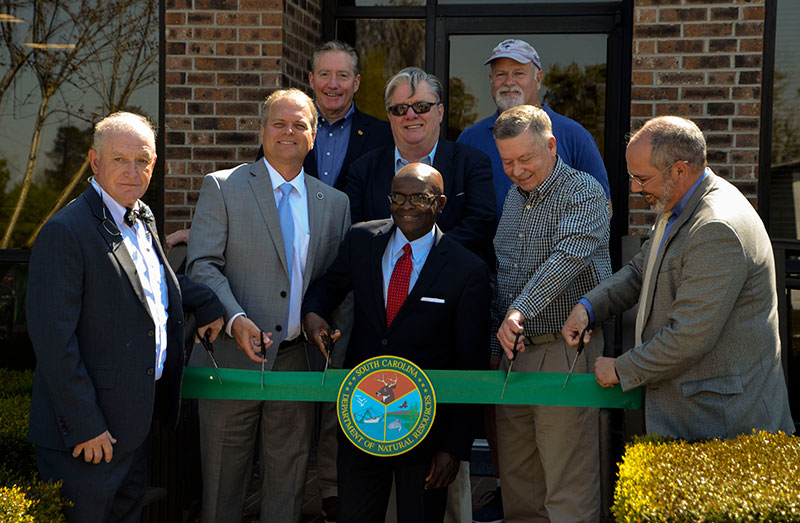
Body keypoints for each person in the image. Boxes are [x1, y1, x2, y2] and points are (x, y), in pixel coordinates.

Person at [26, 111, 224, 523]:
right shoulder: (66, 231)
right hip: (86, 438)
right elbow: (53, 341)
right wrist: (85, 425)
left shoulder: (141, 216)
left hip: (133, 429)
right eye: (120, 159)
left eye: (143, 160)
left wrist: (205, 300)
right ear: (95, 162)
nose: (133, 171)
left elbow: (148, 287)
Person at [562, 115, 794, 441]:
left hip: (723, 423)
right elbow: (640, 270)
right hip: (702, 414)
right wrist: (588, 307)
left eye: (641, 178)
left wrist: (620, 369)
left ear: (679, 170)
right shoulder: (679, 205)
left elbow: (688, 336)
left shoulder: (716, 227)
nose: (634, 187)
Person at [186, 88, 351, 523]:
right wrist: (235, 319)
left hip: (297, 365)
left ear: (314, 137)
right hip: (231, 360)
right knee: (222, 490)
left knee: (288, 491)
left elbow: (337, 286)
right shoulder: (223, 187)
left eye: (300, 124)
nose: (289, 131)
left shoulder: (333, 204)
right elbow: (202, 266)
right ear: (262, 131)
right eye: (279, 123)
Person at [302, 163, 490, 523]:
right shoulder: (362, 240)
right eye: (398, 197)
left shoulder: (467, 269)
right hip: (362, 418)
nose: (406, 206)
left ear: (441, 203)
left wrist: (454, 448)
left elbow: (472, 365)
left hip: (425, 430)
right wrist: (314, 316)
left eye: (419, 197)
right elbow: (326, 289)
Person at [492, 105, 611, 522]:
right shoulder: (512, 197)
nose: (516, 171)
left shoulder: (584, 192)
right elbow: (504, 272)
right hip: (515, 356)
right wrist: (499, 338)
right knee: (520, 487)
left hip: (566, 353)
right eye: (507, 161)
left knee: (568, 488)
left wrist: (519, 310)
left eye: (526, 159)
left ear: (551, 145)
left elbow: (566, 259)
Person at [344, 67, 497, 264]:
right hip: (381, 283)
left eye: (422, 107)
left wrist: (424, 254)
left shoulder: (472, 163)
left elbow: (481, 224)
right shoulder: (363, 170)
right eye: (399, 109)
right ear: (390, 117)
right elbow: (356, 233)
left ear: (440, 112)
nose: (410, 115)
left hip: (450, 280)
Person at [458, 38, 611, 219]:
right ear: (491, 80)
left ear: (538, 79)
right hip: (485, 247)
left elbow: (603, 208)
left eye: (518, 73)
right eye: (501, 74)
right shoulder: (469, 140)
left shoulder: (574, 135)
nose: (509, 82)